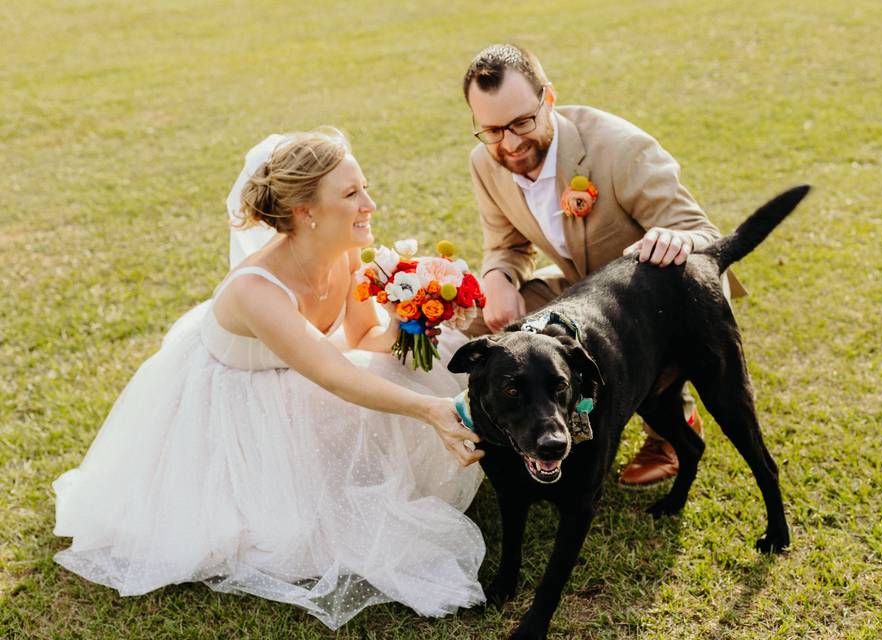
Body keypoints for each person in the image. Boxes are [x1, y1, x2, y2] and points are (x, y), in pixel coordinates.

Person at [53, 129, 487, 629]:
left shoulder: (346, 249)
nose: (369, 203)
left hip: (310, 377)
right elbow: (333, 373)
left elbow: (363, 337)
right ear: (306, 212)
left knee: (405, 369)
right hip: (236, 402)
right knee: (293, 523)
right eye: (351, 194)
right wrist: (432, 411)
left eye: (363, 187)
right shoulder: (256, 291)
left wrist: (409, 324)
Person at [462, 44, 746, 486]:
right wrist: (498, 276)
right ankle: (507, 434)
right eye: (493, 130)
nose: (511, 143)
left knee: (650, 355)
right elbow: (506, 244)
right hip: (577, 290)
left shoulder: (620, 148)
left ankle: (670, 432)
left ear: (548, 98)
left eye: (522, 122)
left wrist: (677, 237)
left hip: (648, 307)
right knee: (479, 320)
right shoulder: (486, 162)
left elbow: (702, 232)